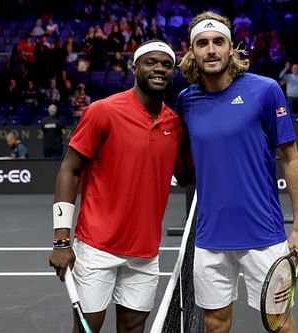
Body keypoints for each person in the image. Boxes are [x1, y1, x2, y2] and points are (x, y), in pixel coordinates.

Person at [48, 40, 193, 333]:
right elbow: (70, 169)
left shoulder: (175, 124)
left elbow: (189, 176)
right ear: (134, 67)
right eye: (151, 62)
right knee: (88, 326)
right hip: (96, 246)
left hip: (145, 250)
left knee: (134, 326)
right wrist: (62, 241)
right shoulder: (103, 111)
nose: (159, 69)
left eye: (166, 65)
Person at [177, 11, 298, 333]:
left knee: (281, 324)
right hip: (210, 237)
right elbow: (184, 165)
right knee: (215, 323)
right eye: (203, 43)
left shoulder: (265, 91)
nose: (211, 50)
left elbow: (290, 158)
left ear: (230, 47)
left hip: (263, 235)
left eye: (218, 42)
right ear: (192, 51)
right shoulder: (185, 101)